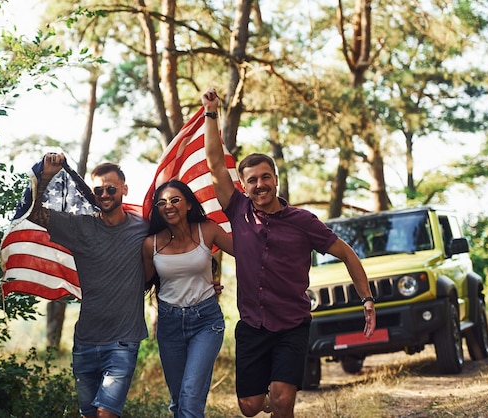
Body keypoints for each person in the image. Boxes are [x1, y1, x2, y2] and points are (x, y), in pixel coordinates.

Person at [200, 88, 377, 418]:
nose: (259, 184)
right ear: (243, 185)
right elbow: (213, 163)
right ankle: (264, 399)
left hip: (292, 326)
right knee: (250, 407)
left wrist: (367, 299)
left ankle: (280, 400)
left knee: (283, 401)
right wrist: (211, 112)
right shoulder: (238, 210)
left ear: (276, 179)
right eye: (251, 180)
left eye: (265, 176)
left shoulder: (303, 222)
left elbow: (347, 254)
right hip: (252, 325)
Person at [27, 152, 148, 418]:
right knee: (89, 415)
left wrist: (208, 279)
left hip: (123, 341)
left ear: (124, 189)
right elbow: (33, 214)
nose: (104, 194)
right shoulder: (80, 227)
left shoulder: (144, 227)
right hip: (85, 343)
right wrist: (45, 175)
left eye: (111, 188)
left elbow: (177, 245)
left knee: (106, 414)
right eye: (99, 190)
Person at [141, 180, 234, 418]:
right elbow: (142, 283)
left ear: (189, 204)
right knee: (179, 400)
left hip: (206, 322)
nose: (168, 206)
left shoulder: (208, 230)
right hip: (170, 324)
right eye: (161, 202)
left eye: (174, 200)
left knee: (190, 396)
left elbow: (246, 251)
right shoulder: (151, 244)